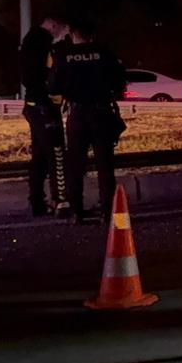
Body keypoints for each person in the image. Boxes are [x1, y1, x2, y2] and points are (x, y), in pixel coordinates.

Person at [49, 18, 127, 226]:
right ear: (92, 35)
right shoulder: (104, 52)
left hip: (77, 115)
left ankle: (77, 212)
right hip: (101, 113)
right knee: (105, 164)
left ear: (74, 35)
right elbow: (120, 81)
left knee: (75, 165)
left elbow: (53, 86)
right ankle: (108, 212)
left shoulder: (64, 56)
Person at [18, 16, 69, 216]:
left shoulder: (32, 41)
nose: (63, 37)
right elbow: (37, 77)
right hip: (44, 107)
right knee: (56, 153)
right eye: (64, 32)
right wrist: (49, 101)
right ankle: (61, 200)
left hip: (36, 106)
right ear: (54, 25)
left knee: (39, 157)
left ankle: (37, 202)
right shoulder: (40, 42)